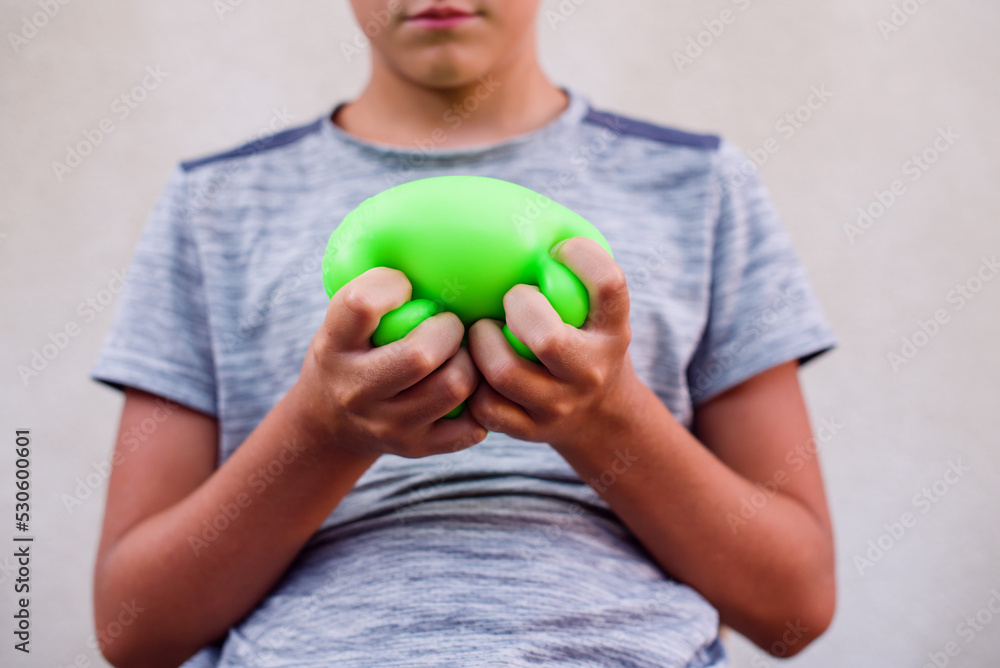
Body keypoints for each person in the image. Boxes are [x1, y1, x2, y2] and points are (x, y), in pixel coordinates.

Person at [89, 1, 838, 666]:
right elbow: (137, 632)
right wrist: (323, 433)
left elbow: (792, 610)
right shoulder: (214, 204)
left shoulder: (702, 185)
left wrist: (608, 420)